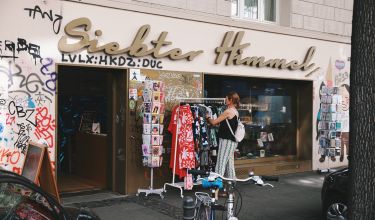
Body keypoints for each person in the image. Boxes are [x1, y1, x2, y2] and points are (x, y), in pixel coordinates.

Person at [206, 91, 240, 179]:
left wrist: (208, 117)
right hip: (232, 141)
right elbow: (224, 125)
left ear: (231, 100)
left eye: (226, 98)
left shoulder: (228, 111)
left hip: (226, 141)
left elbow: (214, 122)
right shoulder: (235, 111)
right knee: (229, 164)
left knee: (221, 163)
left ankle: (217, 185)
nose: (225, 100)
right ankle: (232, 184)